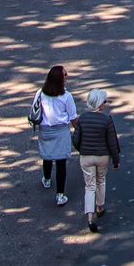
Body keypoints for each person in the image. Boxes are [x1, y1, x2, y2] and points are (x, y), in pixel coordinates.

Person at [72, 89, 121, 232]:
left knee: (89, 185)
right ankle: (99, 207)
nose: (105, 103)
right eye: (104, 101)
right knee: (100, 181)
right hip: (103, 156)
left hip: (86, 156)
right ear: (99, 104)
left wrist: (82, 150)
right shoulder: (106, 120)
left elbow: (75, 139)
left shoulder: (82, 119)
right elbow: (112, 142)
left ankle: (89, 216)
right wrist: (116, 160)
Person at [31, 65, 78, 204]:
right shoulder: (66, 96)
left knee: (47, 157)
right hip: (61, 131)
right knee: (61, 163)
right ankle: (60, 195)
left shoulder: (40, 93)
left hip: (45, 130)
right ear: (59, 79)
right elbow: (73, 117)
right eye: (65, 74)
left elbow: (35, 108)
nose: (67, 76)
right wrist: (79, 131)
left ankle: (46, 179)